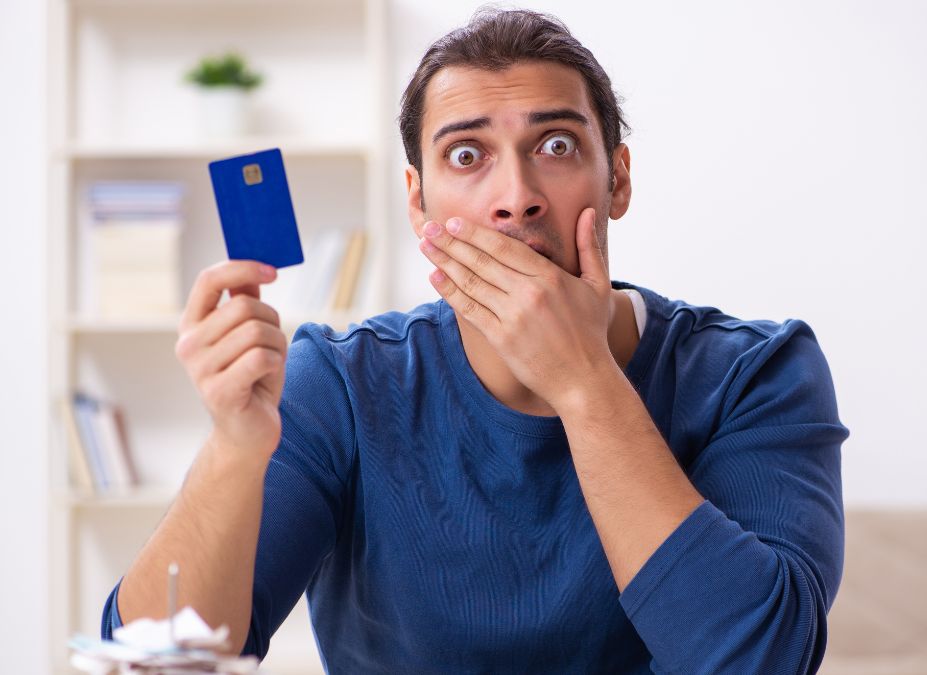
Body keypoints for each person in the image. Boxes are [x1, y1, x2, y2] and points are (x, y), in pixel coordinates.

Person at [101, 8, 849, 674]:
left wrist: (585, 383)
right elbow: (159, 656)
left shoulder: (758, 372)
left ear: (617, 179)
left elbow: (759, 660)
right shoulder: (342, 382)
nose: (515, 195)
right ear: (417, 201)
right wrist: (235, 447)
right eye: (466, 155)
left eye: (555, 145)